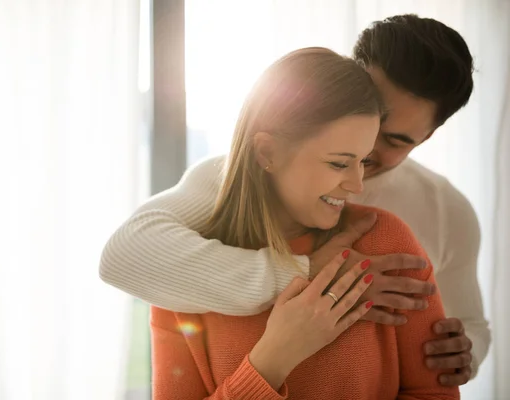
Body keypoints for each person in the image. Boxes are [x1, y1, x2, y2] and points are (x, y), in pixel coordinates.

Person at [100, 14, 490, 386]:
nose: (366, 146)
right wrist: (306, 273)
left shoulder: (446, 211)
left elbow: (472, 324)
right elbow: (125, 255)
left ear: (426, 138)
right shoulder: (238, 179)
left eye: (394, 140)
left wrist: (464, 354)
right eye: (370, 115)